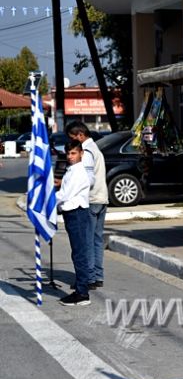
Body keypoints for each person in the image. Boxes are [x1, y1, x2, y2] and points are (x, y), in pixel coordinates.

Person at [66, 122, 108, 289]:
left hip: (90, 200)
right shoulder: (96, 148)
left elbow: (86, 179)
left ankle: (89, 278)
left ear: (80, 135)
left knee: (86, 242)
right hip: (101, 198)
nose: (72, 143)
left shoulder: (87, 151)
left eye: (73, 138)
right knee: (96, 240)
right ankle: (97, 276)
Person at [57, 139, 92, 306]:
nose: (70, 156)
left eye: (74, 153)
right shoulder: (72, 170)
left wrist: (45, 200)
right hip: (72, 213)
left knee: (79, 253)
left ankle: (82, 293)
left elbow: (65, 195)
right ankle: (80, 289)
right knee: (77, 252)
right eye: (68, 153)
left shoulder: (78, 172)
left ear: (81, 153)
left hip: (77, 213)